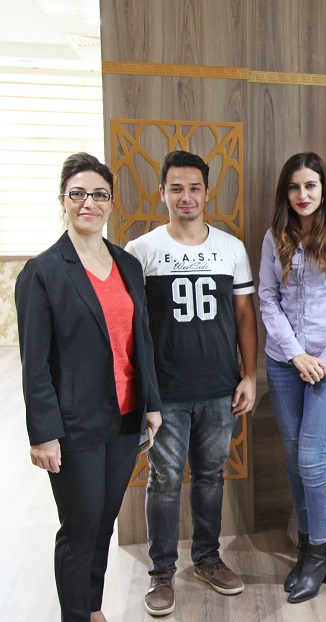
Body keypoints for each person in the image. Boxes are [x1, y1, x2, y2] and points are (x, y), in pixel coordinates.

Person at [16, 153, 162, 622]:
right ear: (62, 201)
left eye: (99, 194)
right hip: (74, 424)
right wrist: (43, 434)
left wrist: (151, 403)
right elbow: (35, 364)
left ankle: (92, 608)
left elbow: (141, 340)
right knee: (79, 528)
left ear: (111, 203)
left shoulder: (127, 264)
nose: (88, 203)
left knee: (103, 524)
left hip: (124, 418)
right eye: (77, 194)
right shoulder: (42, 272)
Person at [125, 150, 258, 617]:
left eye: (194, 188)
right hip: (165, 393)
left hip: (220, 389)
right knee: (163, 481)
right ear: (162, 192)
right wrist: (141, 392)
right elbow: (130, 328)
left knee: (210, 476)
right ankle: (161, 572)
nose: (186, 196)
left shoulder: (231, 248)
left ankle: (206, 558)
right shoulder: (140, 251)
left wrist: (249, 374)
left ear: (207, 191)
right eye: (176, 188)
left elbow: (245, 315)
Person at [259, 152, 326, 603]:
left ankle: (319, 554)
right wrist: (296, 354)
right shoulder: (275, 236)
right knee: (292, 459)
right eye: (294, 187)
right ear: (285, 193)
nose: (302, 195)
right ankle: (305, 547)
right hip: (284, 363)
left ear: (324, 189)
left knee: (310, 460)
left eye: (310, 186)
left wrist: (324, 358)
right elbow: (267, 299)